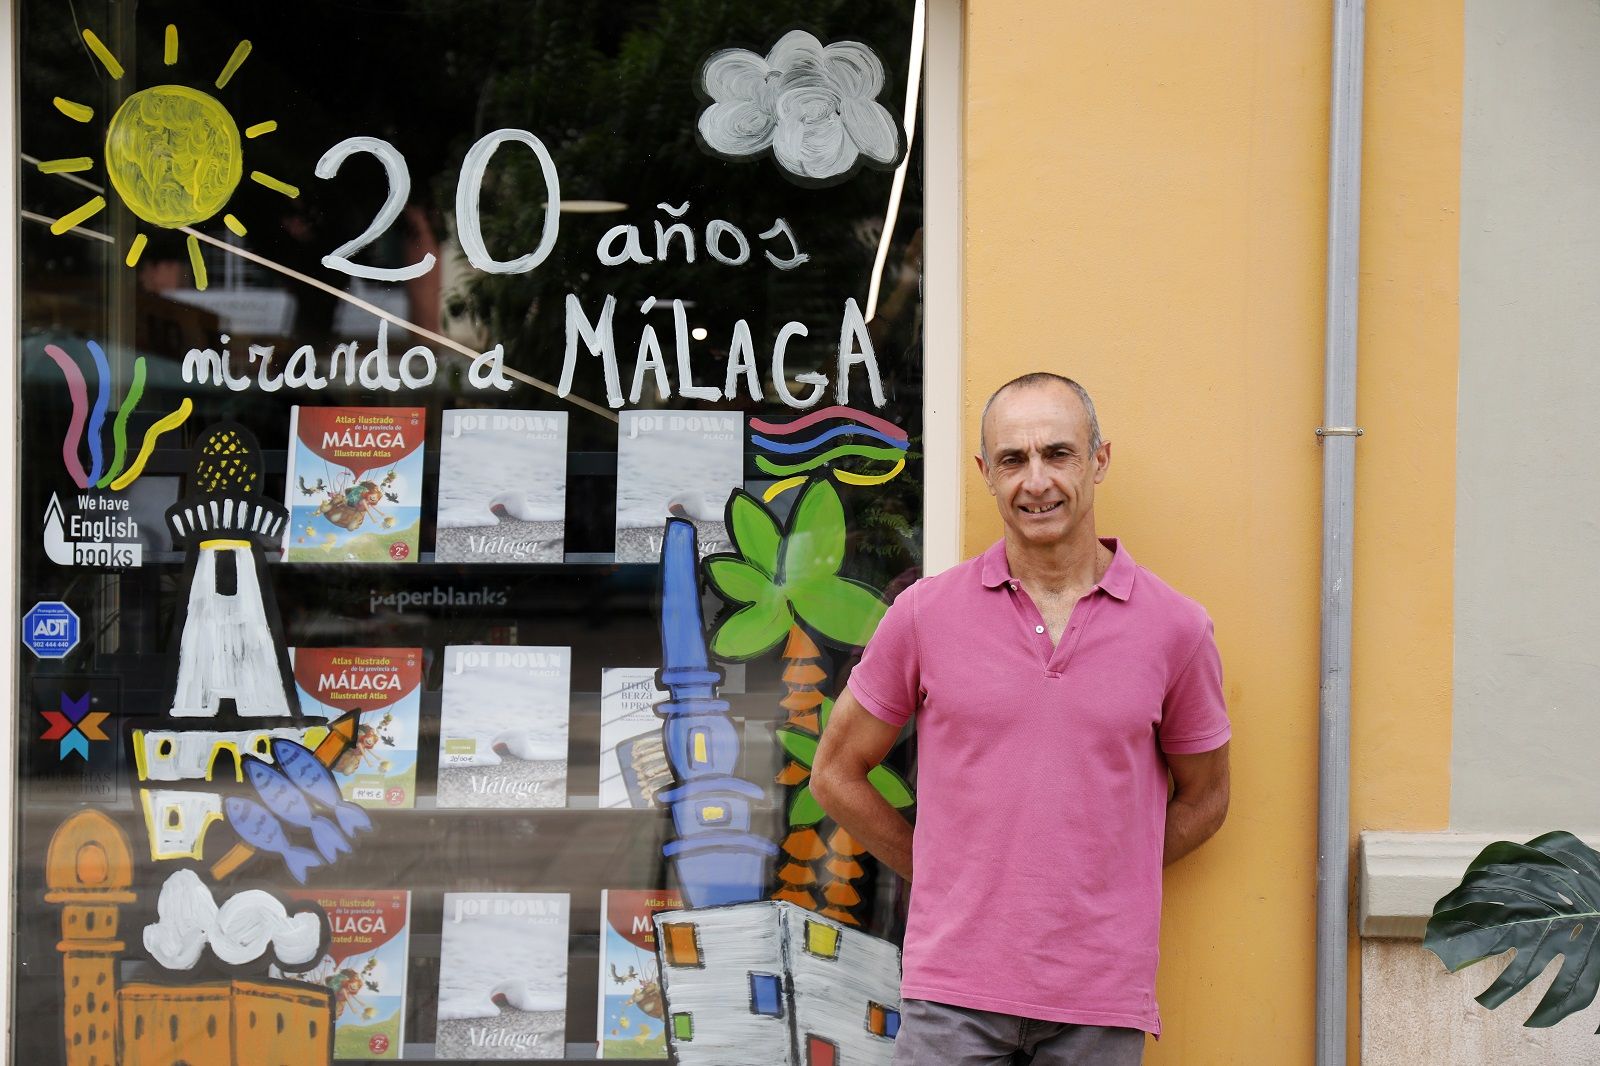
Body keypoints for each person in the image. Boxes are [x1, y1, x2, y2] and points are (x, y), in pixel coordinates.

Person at [811, 372, 1231, 1066]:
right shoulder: (924, 614)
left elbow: (1208, 796)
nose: (1036, 480)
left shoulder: (1175, 629)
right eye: (1013, 459)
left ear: (1098, 460)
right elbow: (834, 772)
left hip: (1098, 1000)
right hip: (952, 997)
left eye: (1057, 453)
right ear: (986, 473)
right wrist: (943, 871)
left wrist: (1100, 874)